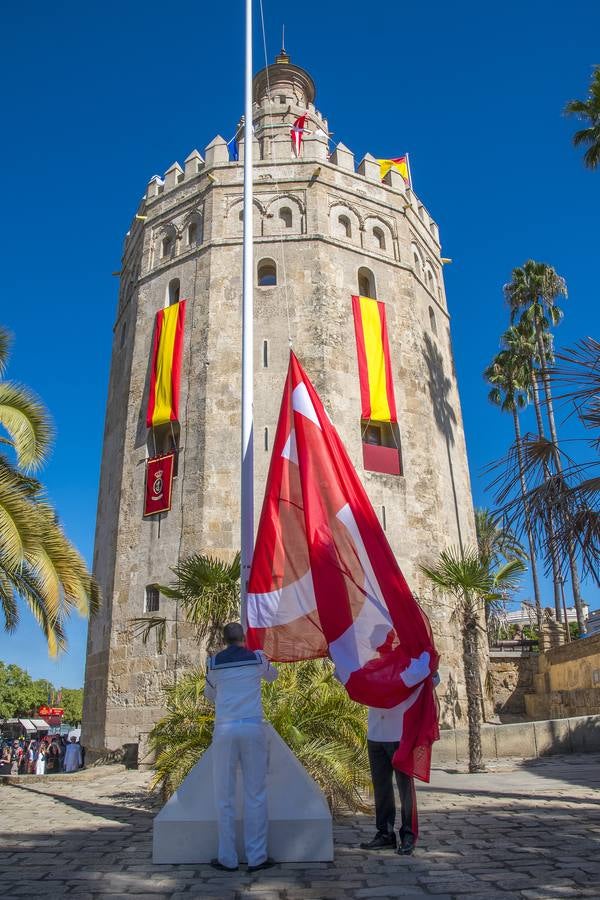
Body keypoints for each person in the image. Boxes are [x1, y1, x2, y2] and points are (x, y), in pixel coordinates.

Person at [204, 621, 278, 873]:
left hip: (225, 728)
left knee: (224, 795)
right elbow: (272, 676)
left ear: (224, 639)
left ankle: (227, 857)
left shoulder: (213, 663)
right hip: (252, 726)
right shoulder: (256, 659)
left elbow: (210, 694)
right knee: (255, 793)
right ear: (243, 637)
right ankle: (257, 857)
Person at [360, 673, 440, 856]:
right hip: (375, 733)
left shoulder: (408, 658)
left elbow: (433, 679)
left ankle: (408, 835)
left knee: (405, 789)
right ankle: (385, 833)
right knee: (381, 788)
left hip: (400, 733)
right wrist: (338, 657)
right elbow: (352, 679)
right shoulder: (368, 660)